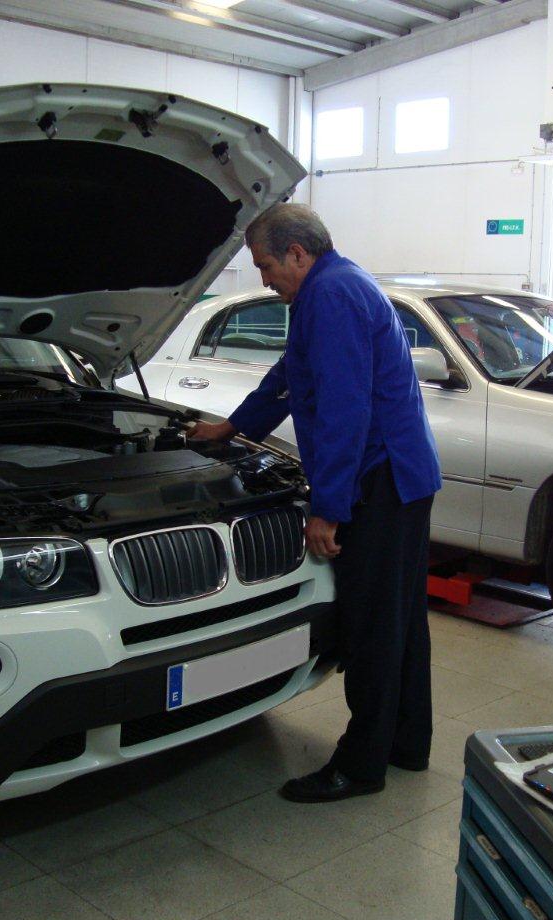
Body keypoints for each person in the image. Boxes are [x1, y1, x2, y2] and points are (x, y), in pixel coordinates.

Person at [188, 204, 442, 802]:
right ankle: (406, 742)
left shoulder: (331, 296)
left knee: (372, 626)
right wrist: (232, 427)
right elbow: (289, 374)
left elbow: (343, 409)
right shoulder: (332, 286)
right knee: (401, 621)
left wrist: (329, 508)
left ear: (298, 254)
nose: (264, 279)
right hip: (403, 476)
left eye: (266, 265)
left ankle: (360, 765)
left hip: (380, 480)